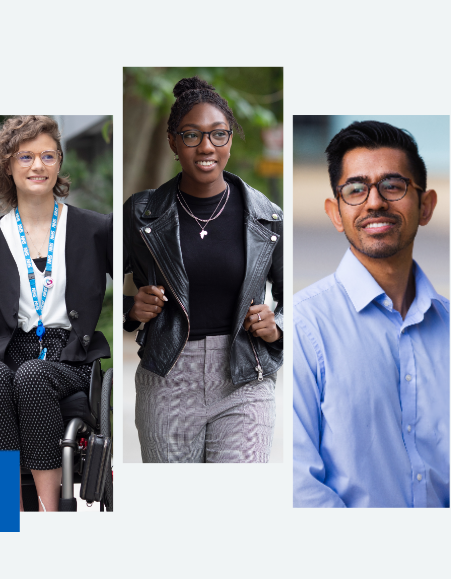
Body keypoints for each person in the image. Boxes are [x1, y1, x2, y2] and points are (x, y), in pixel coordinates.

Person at [0, 115, 112, 511]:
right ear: (8, 165)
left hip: (69, 354)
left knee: (33, 375)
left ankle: (49, 512)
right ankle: (9, 510)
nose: (37, 166)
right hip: (9, 349)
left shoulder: (96, 230)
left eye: (47, 156)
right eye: (25, 157)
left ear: (59, 163)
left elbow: (134, 281)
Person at [123, 77, 283, 463]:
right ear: (173, 141)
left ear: (230, 139)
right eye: (192, 135)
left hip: (244, 374)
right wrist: (130, 309)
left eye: (218, 134)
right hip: (168, 377)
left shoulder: (267, 217)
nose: (206, 146)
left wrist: (276, 324)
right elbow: (94, 280)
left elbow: (296, 295)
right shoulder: (142, 213)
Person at [293, 120, 448, 508]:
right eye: (356, 189)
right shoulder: (303, 327)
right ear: (335, 212)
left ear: (425, 205)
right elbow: (297, 487)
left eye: (393, 186)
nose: (374, 201)